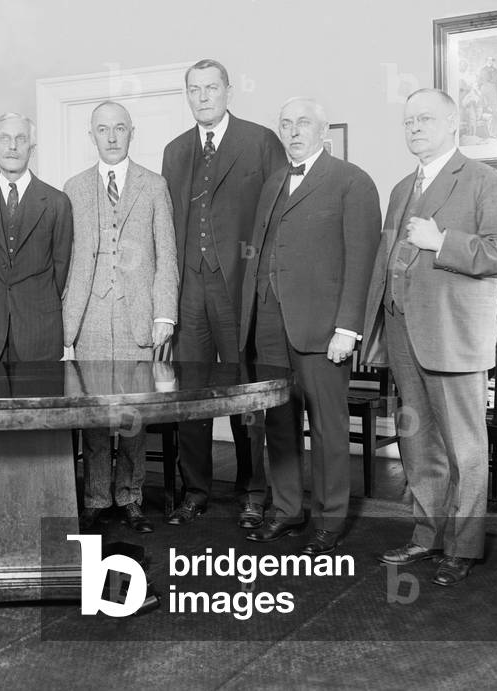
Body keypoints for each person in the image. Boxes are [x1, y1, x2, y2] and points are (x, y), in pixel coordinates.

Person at [361, 88, 497, 586]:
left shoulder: (484, 179)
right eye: (408, 121)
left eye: (425, 119)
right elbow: (386, 262)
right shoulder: (400, 188)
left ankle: (463, 547)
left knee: (464, 449)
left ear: (454, 123)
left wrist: (442, 241)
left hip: (452, 336)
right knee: (417, 442)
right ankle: (426, 536)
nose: (414, 128)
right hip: (403, 333)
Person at [238, 98, 381, 555]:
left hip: (323, 328)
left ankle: (329, 521)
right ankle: (286, 510)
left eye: (303, 123)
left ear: (323, 130)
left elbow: (362, 261)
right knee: (279, 422)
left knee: (327, 426)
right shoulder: (274, 181)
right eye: (286, 124)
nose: (294, 131)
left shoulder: (352, 181)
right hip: (269, 322)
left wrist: (348, 328)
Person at [161, 59, 286, 528]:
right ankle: (195, 490)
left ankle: (253, 491)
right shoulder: (175, 151)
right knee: (191, 394)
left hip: (239, 286)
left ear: (228, 91)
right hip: (189, 288)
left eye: (211, 88)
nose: (203, 97)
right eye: (194, 89)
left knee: (243, 392)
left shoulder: (260, 141)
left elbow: (278, 218)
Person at [61, 101, 179, 534]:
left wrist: (164, 314)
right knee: (94, 414)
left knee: (132, 415)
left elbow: (167, 255)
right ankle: (95, 498)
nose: (111, 137)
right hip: (89, 315)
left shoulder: (154, 185)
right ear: (91, 135)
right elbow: (67, 258)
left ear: (132, 132)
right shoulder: (73, 188)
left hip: (138, 315)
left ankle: (130, 497)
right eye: (103, 129)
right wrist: (65, 326)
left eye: (119, 128)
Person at [0, 113, 72, 363]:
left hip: (39, 331)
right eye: (5, 139)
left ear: (32, 148)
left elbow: (61, 267)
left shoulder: (57, 202)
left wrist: (36, 299)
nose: (12, 146)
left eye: (20, 139)